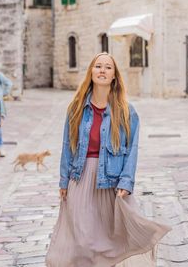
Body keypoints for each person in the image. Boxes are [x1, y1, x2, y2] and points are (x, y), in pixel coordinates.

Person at [46, 52, 171, 267]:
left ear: (114, 76)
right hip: (81, 178)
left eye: (108, 67)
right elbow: (67, 145)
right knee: (83, 242)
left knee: (110, 242)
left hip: (112, 183)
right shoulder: (75, 108)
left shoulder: (126, 111)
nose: (102, 70)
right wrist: (63, 180)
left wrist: (126, 181)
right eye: (98, 66)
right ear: (91, 72)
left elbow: (132, 150)